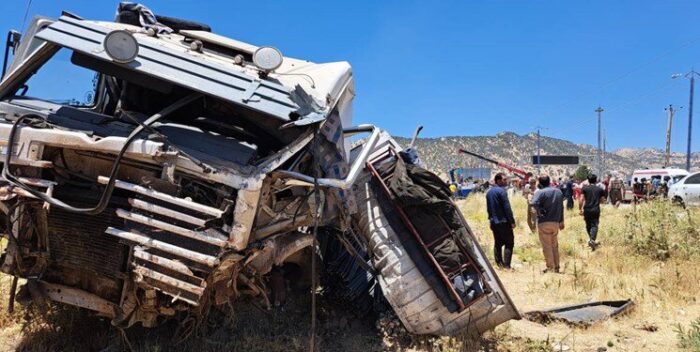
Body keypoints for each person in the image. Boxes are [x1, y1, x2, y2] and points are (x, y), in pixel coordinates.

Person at [531, 175, 565, 273]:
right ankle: (557, 266)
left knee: (547, 246)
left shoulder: (540, 192)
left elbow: (533, 203)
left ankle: (550, 267)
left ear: (540, 183)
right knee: (554, 245)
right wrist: (561, 221)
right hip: (555, 222)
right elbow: (561, 207)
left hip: (544, 221)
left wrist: (540, 211)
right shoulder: (558, 191)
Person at [486, 173, 516, 269]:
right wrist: (512, 221)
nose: (506, 181)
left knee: (498, 243)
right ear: (498, 180)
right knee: (509, 242)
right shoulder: (502, 192)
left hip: (494, 222)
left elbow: (489, 209)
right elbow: (507, 207)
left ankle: (499, 264)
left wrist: (490, 220)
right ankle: (507, 265)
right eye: (504, 179)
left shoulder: (489, 192)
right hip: (503, 221)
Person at [580, 174, 606, 251]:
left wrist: (580, 209)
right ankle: (592, 240)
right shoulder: (600, 189)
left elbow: (581, 199)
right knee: (594, 225)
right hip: (595, 209)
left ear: (588, 180)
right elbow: (602, 200)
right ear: (596, 180)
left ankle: (591, 239)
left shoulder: (584, 188)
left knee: (588, 225)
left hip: (587, 209)